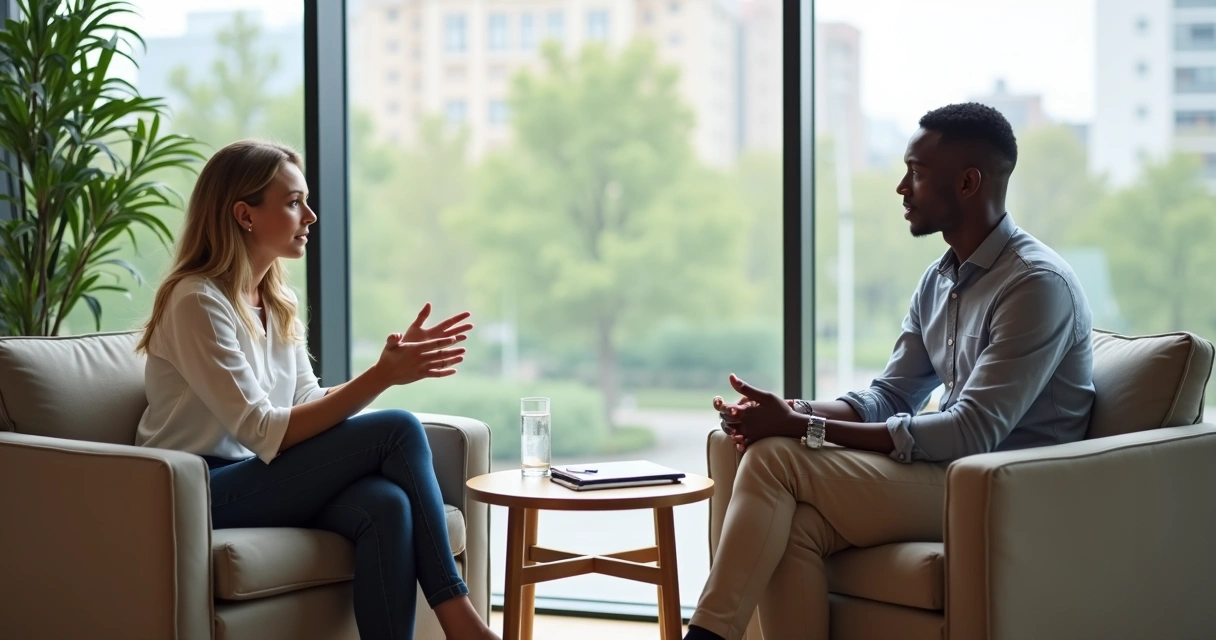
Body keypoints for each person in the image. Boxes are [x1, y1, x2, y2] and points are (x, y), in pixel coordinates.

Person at [683, 103, 1096, 640]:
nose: (902, 187)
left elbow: (971, 431)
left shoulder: (1035, 285)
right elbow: (890, 394)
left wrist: (799, 429)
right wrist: (791, 410)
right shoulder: (939, 279)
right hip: (948, 473)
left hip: (1007, 489)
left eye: (917, 173)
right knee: (794, 528)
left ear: (969, 182)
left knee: (776, 459)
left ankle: (706, 636)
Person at [135, 140, 500, 640]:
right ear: (244, 214)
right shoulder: (196, 300)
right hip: (195, 489)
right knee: (398, 428)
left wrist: (383, 368)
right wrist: (382, 378)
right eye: (292, 202)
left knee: (386, 504)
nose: (309, 215)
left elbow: (306, 402)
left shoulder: (276, 299)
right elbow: (263, 429)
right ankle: (461, 619)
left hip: (257, 474)